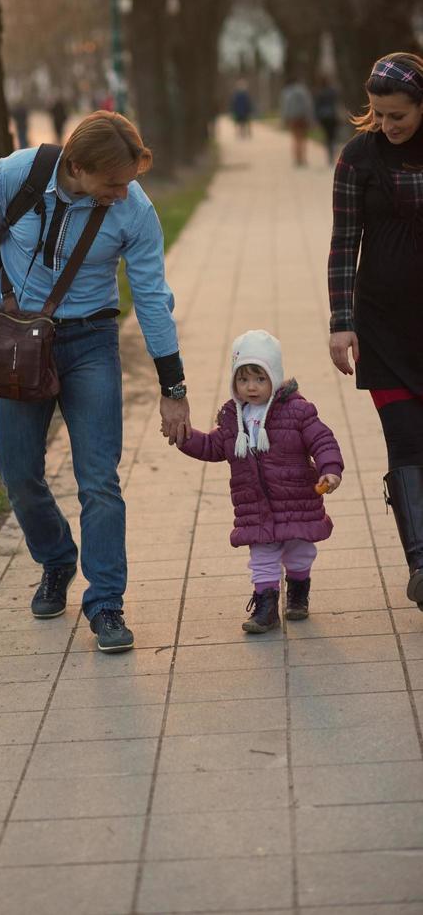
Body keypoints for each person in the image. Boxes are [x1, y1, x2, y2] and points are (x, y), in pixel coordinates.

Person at [0, 111, 191, 652]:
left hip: (92, 343)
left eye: (129, 181)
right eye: (113, 183)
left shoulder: (135, 210)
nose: (123, 192)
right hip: (21, 341)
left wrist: (172, 387)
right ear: (77, 167)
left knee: (99, 480)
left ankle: (106, 604)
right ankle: (57, 559)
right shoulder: (18, 176)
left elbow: (152, 298)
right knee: (16, 472)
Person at [327, 51, 423, 611]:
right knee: (405, 442)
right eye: (379, 114)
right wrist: (342, 323)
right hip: (382, 325)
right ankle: (420, 562)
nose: (386, 126)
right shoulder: (358, 158)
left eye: (398, 117)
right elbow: (344, 244)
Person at [173, 329, 343, 633]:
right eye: (243, 379)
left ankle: (298, 592)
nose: (251, 387)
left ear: (274, 378)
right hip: (255, 507)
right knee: (262, 556)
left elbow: (322, 440)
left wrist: (330, 468)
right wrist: (185, 438)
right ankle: (265, 606)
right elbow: (214, 447)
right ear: (234, 381)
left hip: (297, 500)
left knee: (299, 553)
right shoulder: (232, 417)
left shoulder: (298, 411)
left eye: (259, 378)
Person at [280, 75, 314, 166]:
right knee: (303, 138)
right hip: (302, 117)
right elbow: (308, 105)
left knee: (295, 138)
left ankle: (297, 159)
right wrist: (310, 118)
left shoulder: (287, 92)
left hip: (292, 118)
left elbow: (285, 107)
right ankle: (303, 158)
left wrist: (284, 119)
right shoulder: (304, 91)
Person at [314, 77, 340, 165]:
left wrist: (316, 119)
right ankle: (333, 153)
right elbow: (337, 103)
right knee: (333, 136)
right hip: (333, 116)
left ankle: (329, 156)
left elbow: (316, 107)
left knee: (327, 137)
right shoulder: (333, 91)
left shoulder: (319, 93)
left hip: (323, 117)